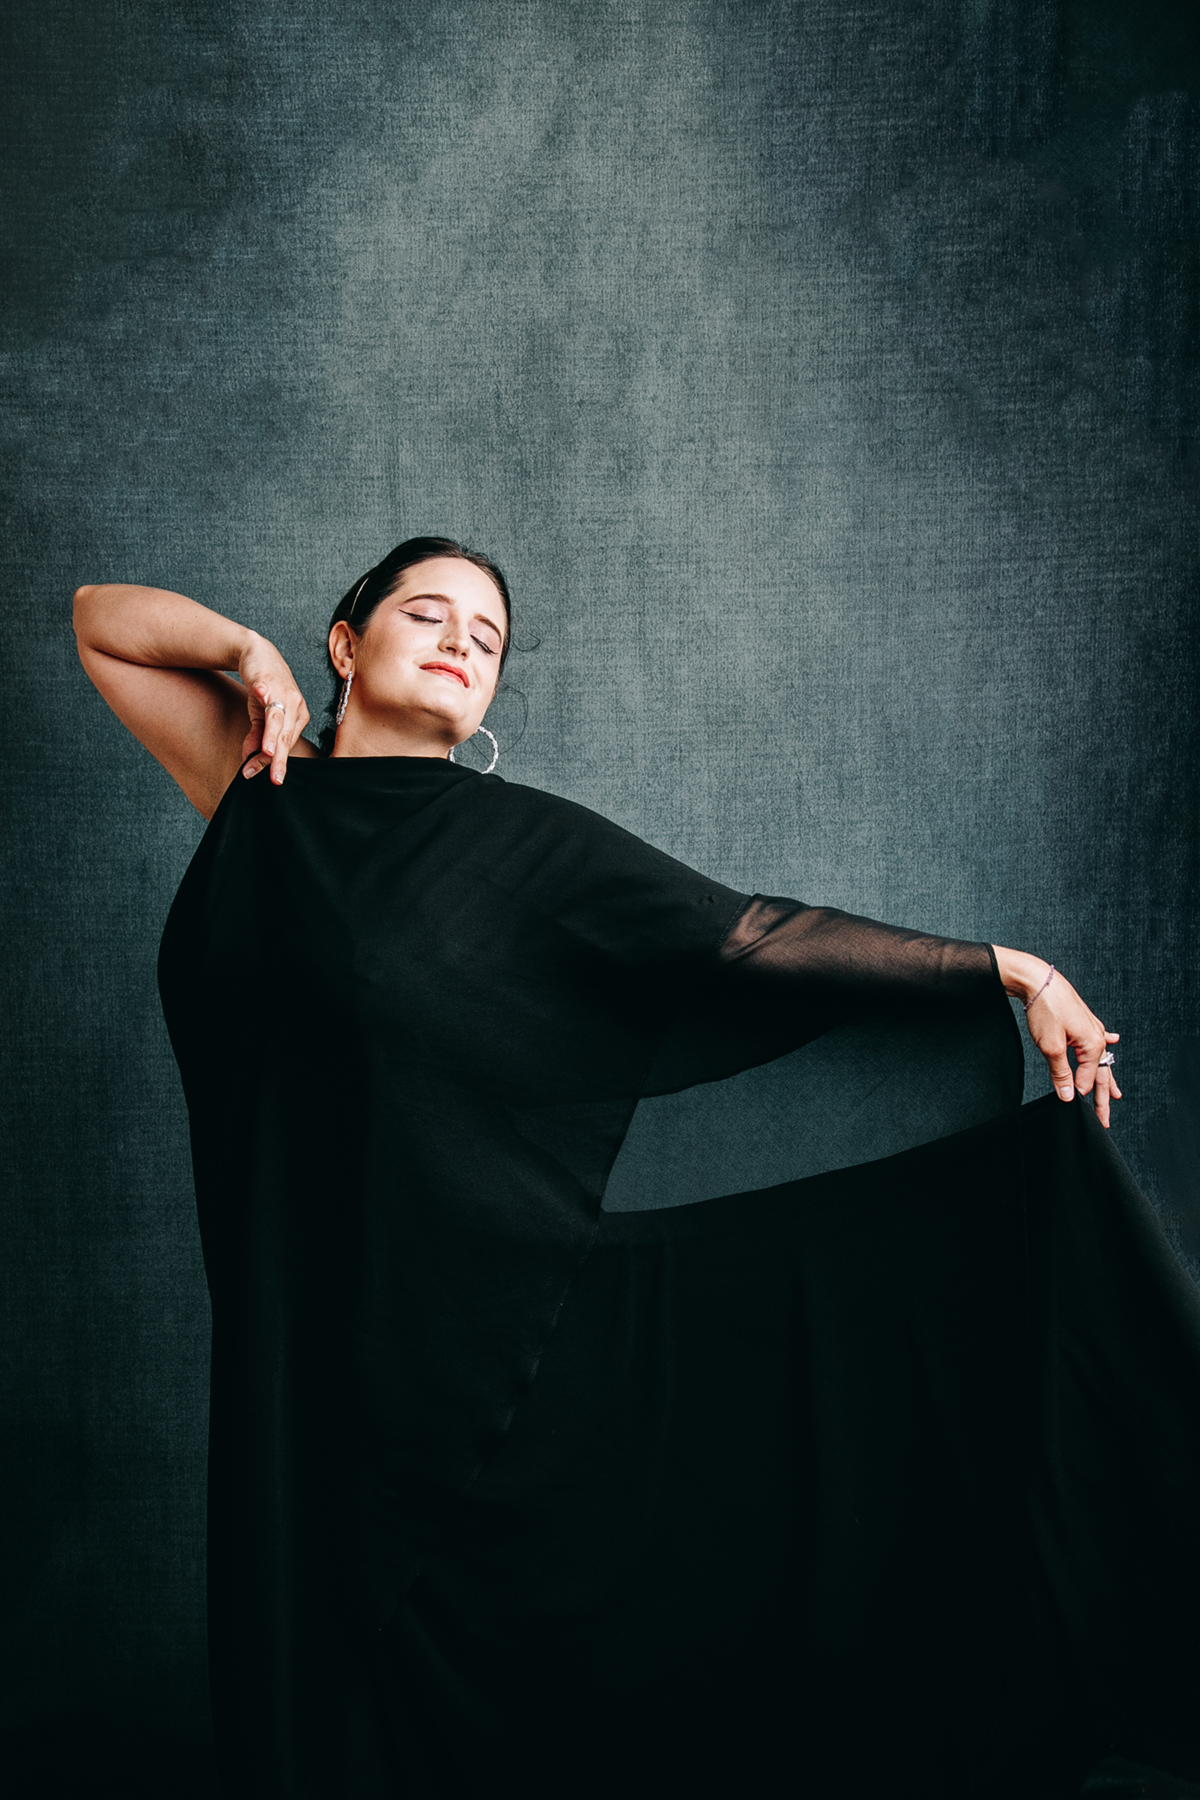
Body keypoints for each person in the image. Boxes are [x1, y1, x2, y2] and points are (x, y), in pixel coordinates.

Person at [73, 538, 1199, 1799]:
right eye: (427, 615)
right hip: (294, 1328)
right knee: (310, 1648)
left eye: (486, 640)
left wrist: (1010, 970)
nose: (458, 645)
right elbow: (100, 622)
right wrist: (244, 656)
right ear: (347, 643)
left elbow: (747, 940)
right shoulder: (258, 787)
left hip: (462, 1335)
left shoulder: (520, 849)